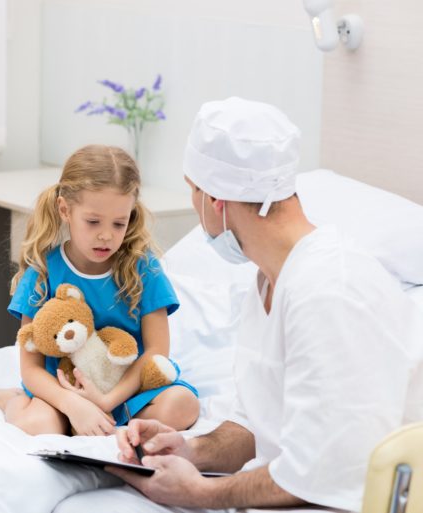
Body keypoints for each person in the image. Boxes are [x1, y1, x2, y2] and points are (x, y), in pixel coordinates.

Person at [55, 98, 423, 512]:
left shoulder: (328, 291)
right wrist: (190, 450)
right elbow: (257, 427)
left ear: (216, 201)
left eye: (194, 193)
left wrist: (199, 493)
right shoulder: (269, 280)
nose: (196, 209)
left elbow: (319, 474)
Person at [0, 145, 200, 436]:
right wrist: (73, 405)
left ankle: (103, 421)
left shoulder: (144, 268)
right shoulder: (43, 272)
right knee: (38, 426)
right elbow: (31, 368)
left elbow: (156, 351)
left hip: (126, 389)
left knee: (182, 405)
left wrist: (106, 401)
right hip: (62, 390)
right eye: (93, 222)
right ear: (65, 210)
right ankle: (11, 399)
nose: (106, 235)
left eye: (119, 223)